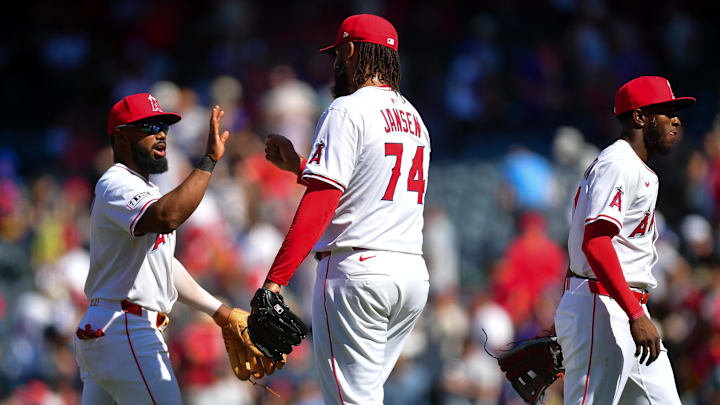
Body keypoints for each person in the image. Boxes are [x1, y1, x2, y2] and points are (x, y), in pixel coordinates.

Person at [260, 14, 431, 405]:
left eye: (338, 54)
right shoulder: (416, 120)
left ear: (350, 51)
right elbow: (373, 187)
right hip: (409, 276)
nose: (336, 63)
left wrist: (274, 282)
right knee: (365, 395)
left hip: (357, 275)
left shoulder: (346, 109)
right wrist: (303, 167)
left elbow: (323, 200)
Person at [74, 93, 277, 405]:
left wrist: (219, 312)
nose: (161, 133)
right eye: (149, 125)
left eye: (164, 126)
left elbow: (164, 265)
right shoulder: (116, 182)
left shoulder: (145, 190)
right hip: (126, 328)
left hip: (111, 329)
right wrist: (208, 162)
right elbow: (168, 217)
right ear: (121, 136)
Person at [555, 76, 695, 404]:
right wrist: (634, 314)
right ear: (639, 117)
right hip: (605, 308)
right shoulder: (618, 164)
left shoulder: (634, 167)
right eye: (666, 110)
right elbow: (596, 243)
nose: (675, 119)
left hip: (623, 309)